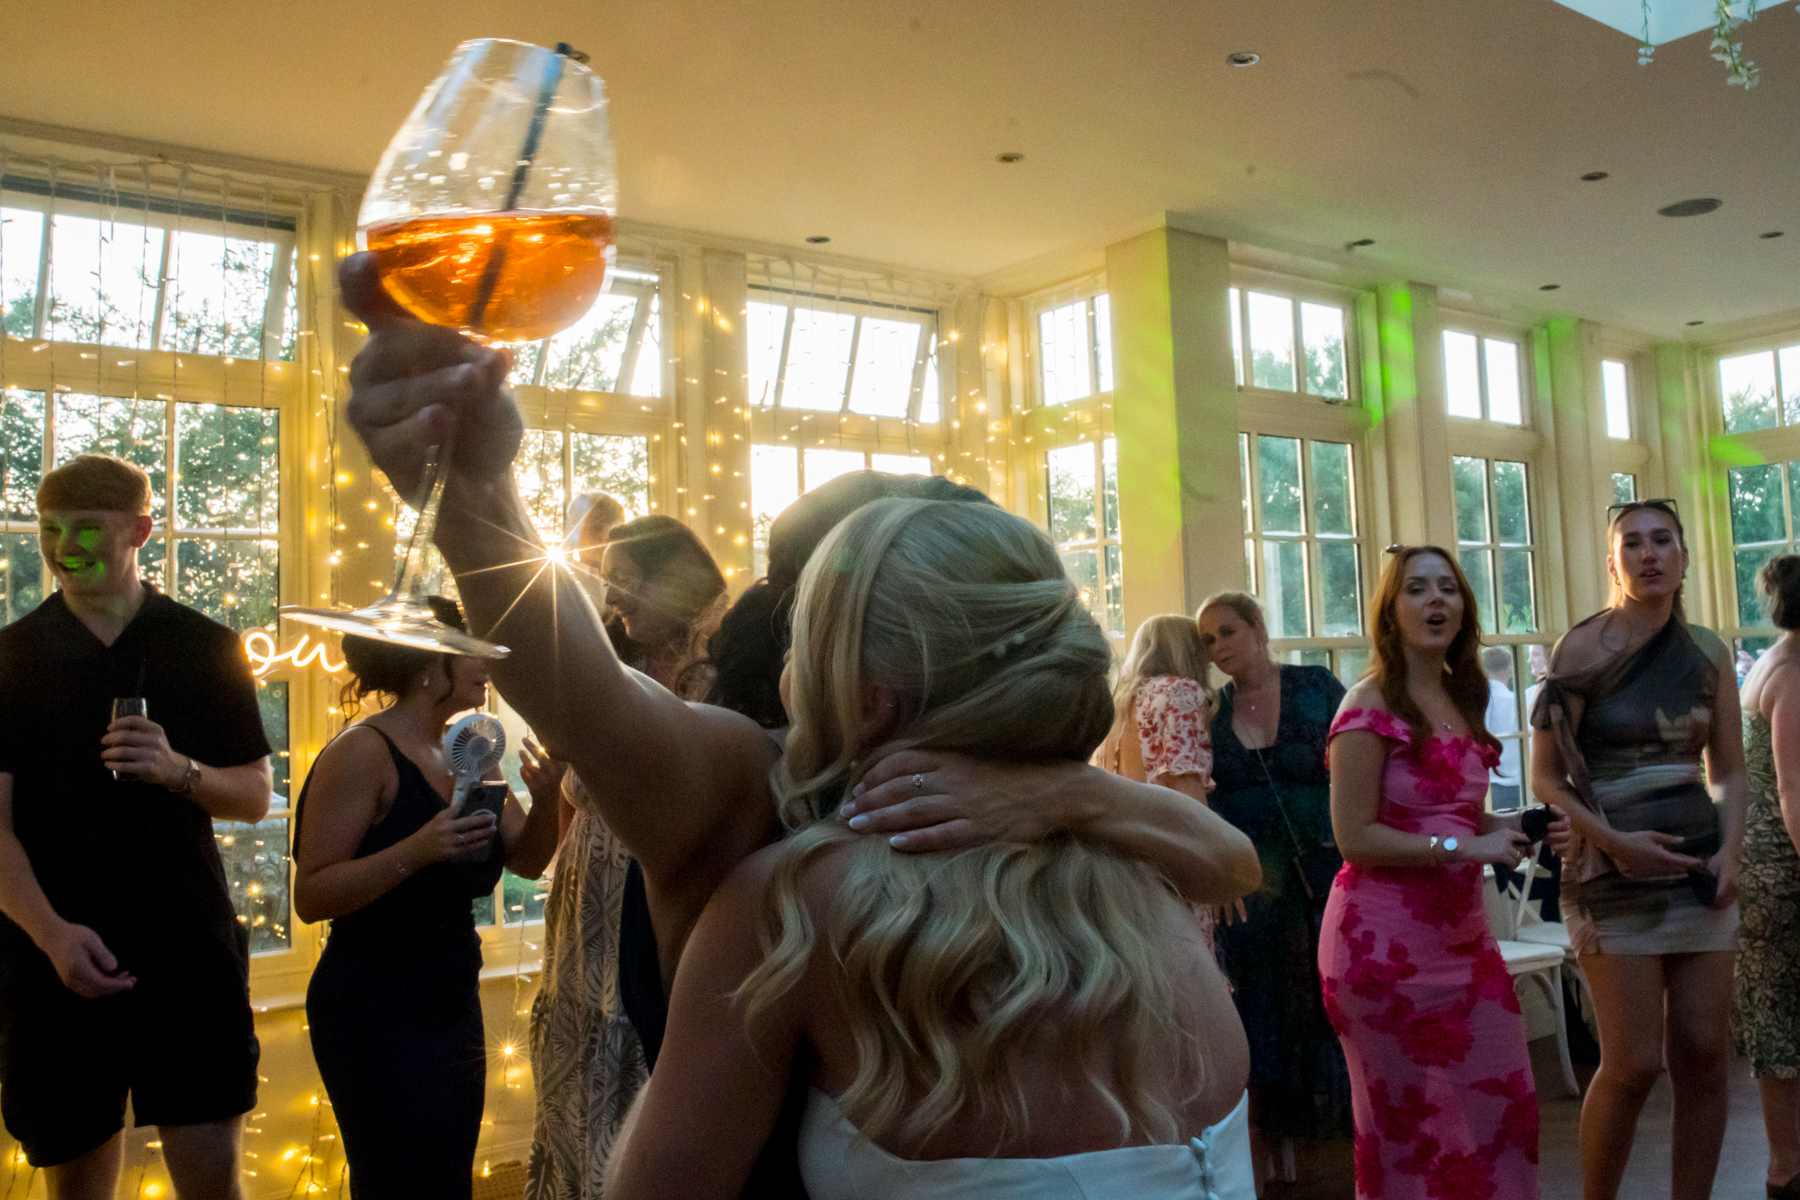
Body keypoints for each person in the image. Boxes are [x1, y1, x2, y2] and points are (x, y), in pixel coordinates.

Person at [338, 251, 1262, 1188]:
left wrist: (472, 497)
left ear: (858, 682)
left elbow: (1230, 858)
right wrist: (475, 499)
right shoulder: (1132, 887)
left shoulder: (806, 895)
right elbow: (590, 695)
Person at [605, 497, 1257, 1200]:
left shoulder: (794, 904)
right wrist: (1073, 791)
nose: (788, 666)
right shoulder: (1147, 866)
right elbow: (1238, 866)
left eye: (800, 644)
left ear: (868, 703)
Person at [0, 453, 273, 1200]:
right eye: (49, 529)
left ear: (140, 531)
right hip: (52, 957)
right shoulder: (11, 658)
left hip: (188, 949)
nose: (64, 548)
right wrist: (53, 936)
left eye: (87, 528)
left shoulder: (205, 645)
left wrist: (177, 769)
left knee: (212, 1186)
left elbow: (254, 796)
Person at [292, 598, 561, 1200]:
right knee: (396, 1182)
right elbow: (311, 894)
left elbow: (527, 860)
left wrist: (548, 800)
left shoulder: (471, 748)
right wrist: (418, 848)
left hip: (451, 998)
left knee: (446, 1179)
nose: (484, 667)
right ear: (424, 666)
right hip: (373, 1006)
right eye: (468, 652)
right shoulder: (361, 753)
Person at [1532, 498, 1744, 1200]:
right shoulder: (1580, 650)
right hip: (1608, 872)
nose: (1648, 554)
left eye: (1661, 541)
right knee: (1632, 1064)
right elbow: (1546, 778)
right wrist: (1616, 843)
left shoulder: (1709, 652)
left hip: (1698, 870)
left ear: (1684, 558)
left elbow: (1730, 770)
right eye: (1632, 543)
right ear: (1612, 562)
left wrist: (1731, 851)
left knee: (1705, 1054)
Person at [1320, 545, 1538, 1200]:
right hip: (1380, 950)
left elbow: (1462, 814)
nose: (1436, 599)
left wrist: (1518, 827)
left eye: (1448, 587)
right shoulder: (1367, 703)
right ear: (1390, 611)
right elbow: (1354, 836)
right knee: (1406, 1136)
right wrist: (1464, 849)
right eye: (1417, 588)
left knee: (1505, 1110)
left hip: (1463, 943)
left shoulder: (1462, 696)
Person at [526, 517, 726, 1200]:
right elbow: (571, 805)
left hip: (663, 899)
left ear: (674, 578)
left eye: (625, 581)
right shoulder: (611, 672)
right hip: (586, 907)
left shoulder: (723, 672)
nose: (611, 599)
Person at [1197, 592, 1354, 1174]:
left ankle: (1348, 1135)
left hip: (1323, 872)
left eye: (1228, 631)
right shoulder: (1212, 710)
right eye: (1208, 640)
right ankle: (1268, 1148)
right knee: (1261, 1007)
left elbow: (1361, 762)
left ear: (1258, 627)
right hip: (1252, 888)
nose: (1219, 647)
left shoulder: (1316, 686)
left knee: (1327, 999)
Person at [1735, 555, 1800, 1200]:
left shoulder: (1774, 660)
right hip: (1781, 869)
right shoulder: (1792, 672)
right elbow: (1793, 789)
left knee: (1778, 1019)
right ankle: (1787, 1171)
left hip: (1762, 864)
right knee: (1780, 1023)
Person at [1093, 613, 1215, 801]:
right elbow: (1186, 784)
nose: (1210, 657)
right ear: (1187, 651)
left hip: (1119, 816)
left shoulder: (1119, 700)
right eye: (1202, 645)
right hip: (1164, 817)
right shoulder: (1179, 691)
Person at [1483, 646, 1523, 812]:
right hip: (1515, 782)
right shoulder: (1517, 701)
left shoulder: (1478, 701)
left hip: (1485, 783)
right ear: (1508, 670)